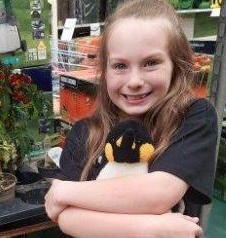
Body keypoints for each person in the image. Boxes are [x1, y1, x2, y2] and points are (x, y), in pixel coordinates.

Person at [44, 0, 218, 237]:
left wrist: (64, 191)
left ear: (176, 66)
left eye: (151, 63)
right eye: (120, 66)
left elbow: (160, 192)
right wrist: (155, 228)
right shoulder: (84, 132)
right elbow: (67, 218)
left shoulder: (192, 117)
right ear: (105, 72)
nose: (134, 81)